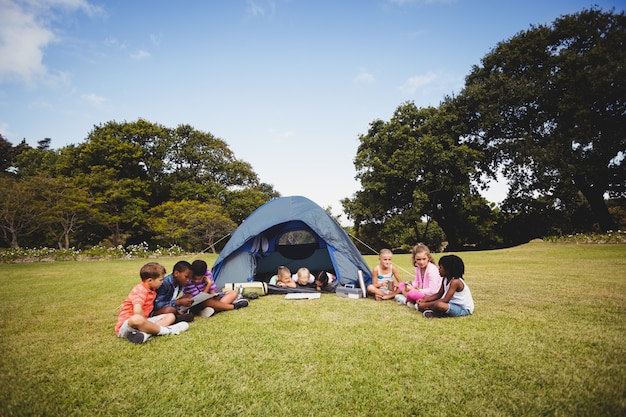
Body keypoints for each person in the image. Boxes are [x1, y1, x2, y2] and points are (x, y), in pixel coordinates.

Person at [115, 262, 190, 344]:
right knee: (137, 318)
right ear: (150, 280)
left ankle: (145, 334)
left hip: (143, 323)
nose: (162, 282)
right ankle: (168, 331)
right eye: (160, 280)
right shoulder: (140, 290)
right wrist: (144, 323)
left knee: (170, 316)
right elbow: (137, 310)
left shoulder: (152, 289)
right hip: (128, 325)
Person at [395, 243, 442, 307]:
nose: (421, 262)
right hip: (422, 293)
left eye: (424, 259)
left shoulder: (432, 269)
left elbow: (433, 290)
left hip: (432, 295)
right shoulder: (418, 268)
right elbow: (417, 283)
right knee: (401, 285)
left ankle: (406, 300)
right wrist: (410, 285)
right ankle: (411, 300)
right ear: (414, 259)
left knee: (411, 294)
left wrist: (416, 290)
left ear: (428, 258)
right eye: (418, 259)